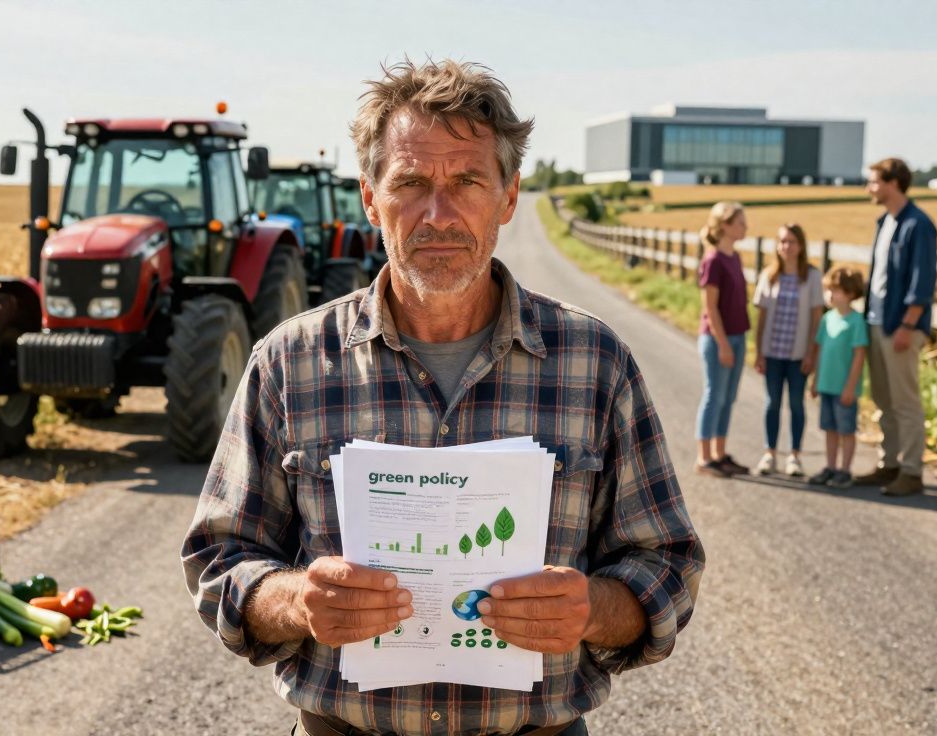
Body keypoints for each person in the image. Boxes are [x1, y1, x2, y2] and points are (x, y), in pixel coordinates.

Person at [181, 59, 704, 736]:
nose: (439, 214)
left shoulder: (594, 362)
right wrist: (297, 600)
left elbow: (666, 562)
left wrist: (592, 608)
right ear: (371, 199)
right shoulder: (289, 362)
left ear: (508, 196)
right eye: (411, 183)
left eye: (467, 182)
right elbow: (220, 558)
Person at [853, 158, 937, 497]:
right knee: (883, 399)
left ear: (892, 183)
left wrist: (907, 325)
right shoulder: (884, 222)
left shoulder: (918, 225)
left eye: (873, 181)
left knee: (905, 402)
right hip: (876, 322)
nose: (868, 188)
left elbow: (923, 282)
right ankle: (889, 464)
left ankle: (912, 471)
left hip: (900, 327)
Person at [752, 224, 823, 477]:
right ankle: (769, 453)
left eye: (791, 241)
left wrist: (811, 352)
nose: (786, 246)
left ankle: (795, 455)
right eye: (782, 241)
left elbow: (817, 318)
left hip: (798, 354)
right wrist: (759, 351)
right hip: (772, 351)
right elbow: (761, 318)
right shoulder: (769, 275)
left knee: (796, 403)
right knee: (772, 403)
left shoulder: (812, 276)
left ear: (801, 245)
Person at [694, 201, 751, 478]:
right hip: (718, 339)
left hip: (739, 335)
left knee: (728, 398)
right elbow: (710, 307)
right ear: (726, 226)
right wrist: (724, 344)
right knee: (713, 396)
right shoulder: (713, 260)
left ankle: (719, 453)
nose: (745, 227)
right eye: (740, 222)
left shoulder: (735, 257)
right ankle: (704, 458)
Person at [806, 267, 869, 488]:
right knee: (830, 430)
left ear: (851, 293)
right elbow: (821, 351)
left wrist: (850, 387)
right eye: (828, 290)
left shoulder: (856, 322)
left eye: (836, 291)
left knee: (846, 430)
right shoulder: (827, 319)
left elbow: (859, 356)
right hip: (826, 386)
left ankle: (845, 470)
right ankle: (831, 467)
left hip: (845, 389)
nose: (830, 295)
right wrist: (815, 380)